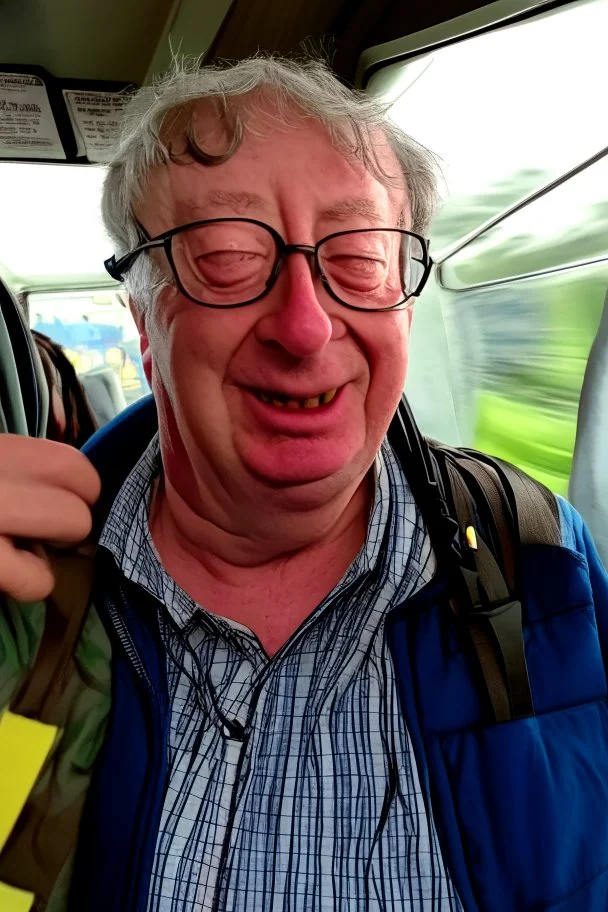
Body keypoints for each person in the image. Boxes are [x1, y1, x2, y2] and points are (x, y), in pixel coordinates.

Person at [0, 56, 607, 912]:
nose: (304, 323)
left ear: (402, 302)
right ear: (142, 321)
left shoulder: (539, 559)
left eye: (360, 258)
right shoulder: (26, 602)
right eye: (226, 257)